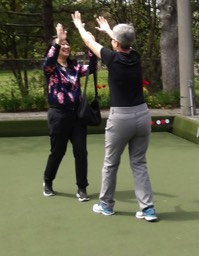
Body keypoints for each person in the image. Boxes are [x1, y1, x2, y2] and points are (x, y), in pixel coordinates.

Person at [72, 11, 158, 221]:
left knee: (111, 163)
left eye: (113, 40)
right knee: (139, 163)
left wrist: (79, 26)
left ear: (116, 44)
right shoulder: (135, 56)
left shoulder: (112, 58)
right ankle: (148, 209)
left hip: (121, 118)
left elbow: (88, 40)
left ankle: (106, 205)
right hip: (142, 115)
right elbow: (123, 41)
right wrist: (110, 30)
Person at [42, 23, 95, 202]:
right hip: (58, 115)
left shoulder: (74, 67)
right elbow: (48, 62)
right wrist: (58, 38)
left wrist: (90, 45)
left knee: (81, 152)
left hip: (77, 116)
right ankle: (48, 181)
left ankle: (82, 188)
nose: (66, 46)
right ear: (55, 47)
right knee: (58, 151)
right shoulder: (51, 68)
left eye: (67, 43)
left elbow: (92, 69)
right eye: (62, 44)